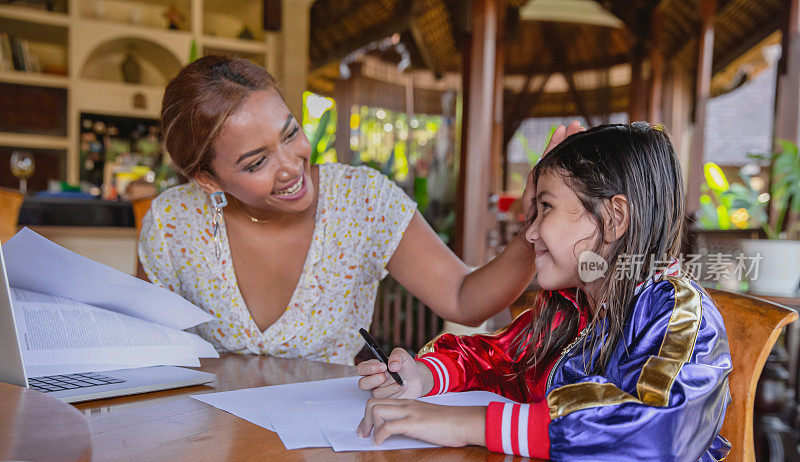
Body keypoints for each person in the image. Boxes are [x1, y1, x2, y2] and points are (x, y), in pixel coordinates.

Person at [355, 123, 743, 462]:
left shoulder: (678, 312)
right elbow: (496, 359)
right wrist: (420, 376)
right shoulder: (570, 308)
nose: (532, 232)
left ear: (615, 217)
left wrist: (465, 424)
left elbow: (661, 431)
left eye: (546, 209)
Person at [138, 55, 581, 364]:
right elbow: (142, 347)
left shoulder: (362, 201)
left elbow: (463, 298)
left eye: (290, 134)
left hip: (326, 449)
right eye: (257, 162)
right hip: (210, 449)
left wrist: (537, 220)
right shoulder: (173, 223)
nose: (292, 166)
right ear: (208, 180)